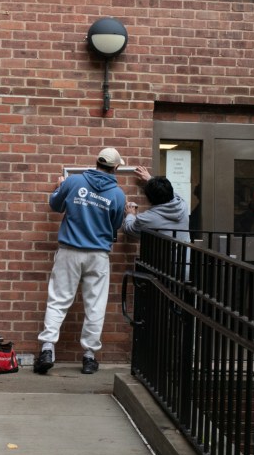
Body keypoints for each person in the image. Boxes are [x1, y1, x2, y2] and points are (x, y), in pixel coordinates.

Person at [35, 147, 127, 375]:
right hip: (98, 255)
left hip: (69, 250)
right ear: (115, 167)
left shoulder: (74, 182)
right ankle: (88, 356)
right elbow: (115, 225)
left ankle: (47, 348)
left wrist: (59, 187)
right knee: (95, 305)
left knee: (58, 299)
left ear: (96, 162)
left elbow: (55, 205)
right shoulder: (118, 194)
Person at [123, 166, 190, 243]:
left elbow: (129, 229)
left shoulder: (147, 218)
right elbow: (170, 193)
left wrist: (130, 214)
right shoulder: (182, 205)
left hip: (162, 255)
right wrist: (151, 180)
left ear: (149, 198)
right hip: (184, 255)